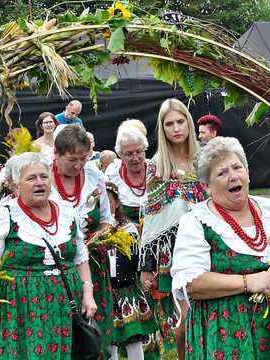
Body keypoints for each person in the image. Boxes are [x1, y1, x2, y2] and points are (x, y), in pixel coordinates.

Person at [171, 136, 270, 359]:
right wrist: (248, 282)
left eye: (237, 167)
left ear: (247, 172)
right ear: (206, 186)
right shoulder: (197, 221)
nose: (233, 176)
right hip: (226, 335)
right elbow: (191, 283)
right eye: (222, 173)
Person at [0, 152, 97, 359]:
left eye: (44, 176)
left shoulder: (67, 211)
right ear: (16, 186)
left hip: (65, 302)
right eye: (31, 178)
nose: (39, 182)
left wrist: (88, 294)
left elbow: (79, 257)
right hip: (21, 304)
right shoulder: (5, 214)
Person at [139, 99, 206, 360]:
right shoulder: (157, 166)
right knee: (184, 320)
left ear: (188, 123)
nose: (176, 128)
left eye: (180, 122)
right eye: (169, 124)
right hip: (176, 251)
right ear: (162, 129)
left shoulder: (204, 159)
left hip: (209, 243)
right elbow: (153, 218)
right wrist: (146, 265)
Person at [49, 125, 116, 356]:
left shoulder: (95, 177)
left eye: (83, 159)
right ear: (56, 154)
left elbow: (107, 220)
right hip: (58, 268)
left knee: (95, 329)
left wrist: (97, 238)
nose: (78, 166)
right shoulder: (42, 179)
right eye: (72, 159)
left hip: (94, 266)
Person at [105, 122, 161, 358]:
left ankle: (151, 351)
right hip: (126, 250)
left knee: (155, 300)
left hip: (157, 244)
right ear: (120, 154)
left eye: (139, 151)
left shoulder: (156, 170)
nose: (135, 157)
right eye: (129, 153)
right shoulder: (111, 175)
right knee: (131, 300)